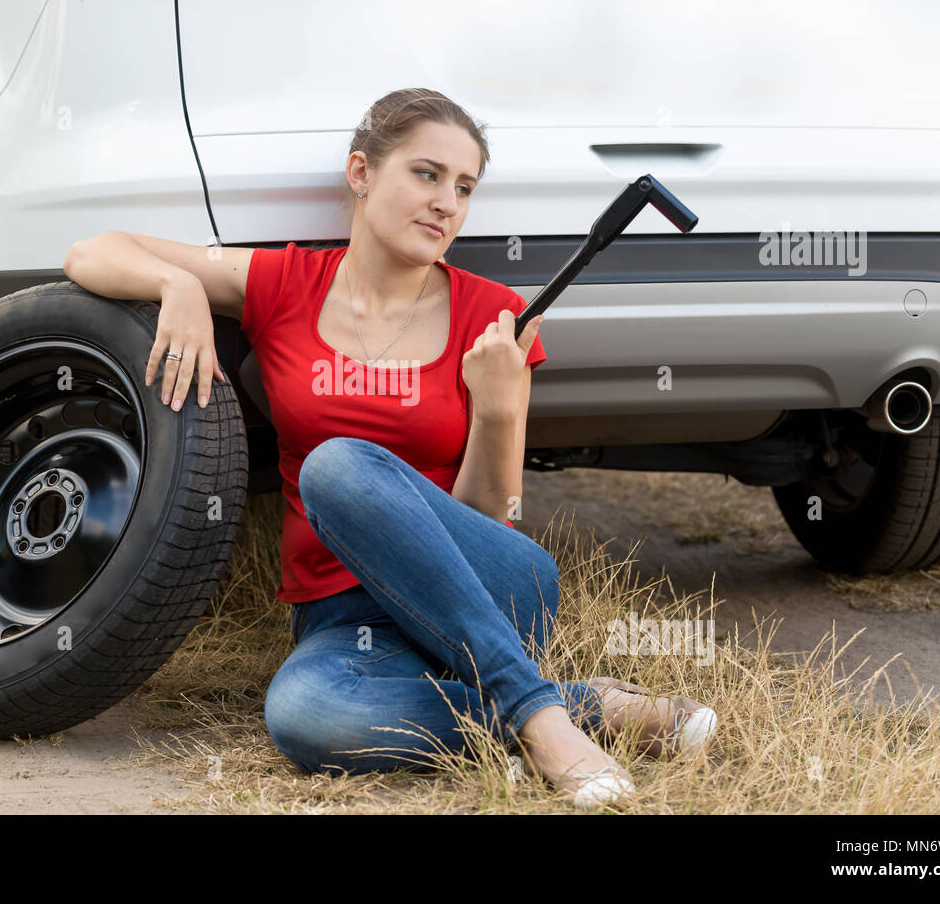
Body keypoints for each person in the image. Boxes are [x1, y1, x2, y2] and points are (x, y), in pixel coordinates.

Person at [63, 88, 717, 809]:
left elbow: (488, 515)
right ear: (361, 173)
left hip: (487, 590)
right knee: (305, 715)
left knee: (337, 465)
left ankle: (540, 717)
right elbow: (90, 251)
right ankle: (589, 709)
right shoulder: (285, 285)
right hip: (343, 617)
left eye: (464, 188)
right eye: (428, 174)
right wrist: (177, 283)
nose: (448, 203)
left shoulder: (494, 315)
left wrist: (498, 406)